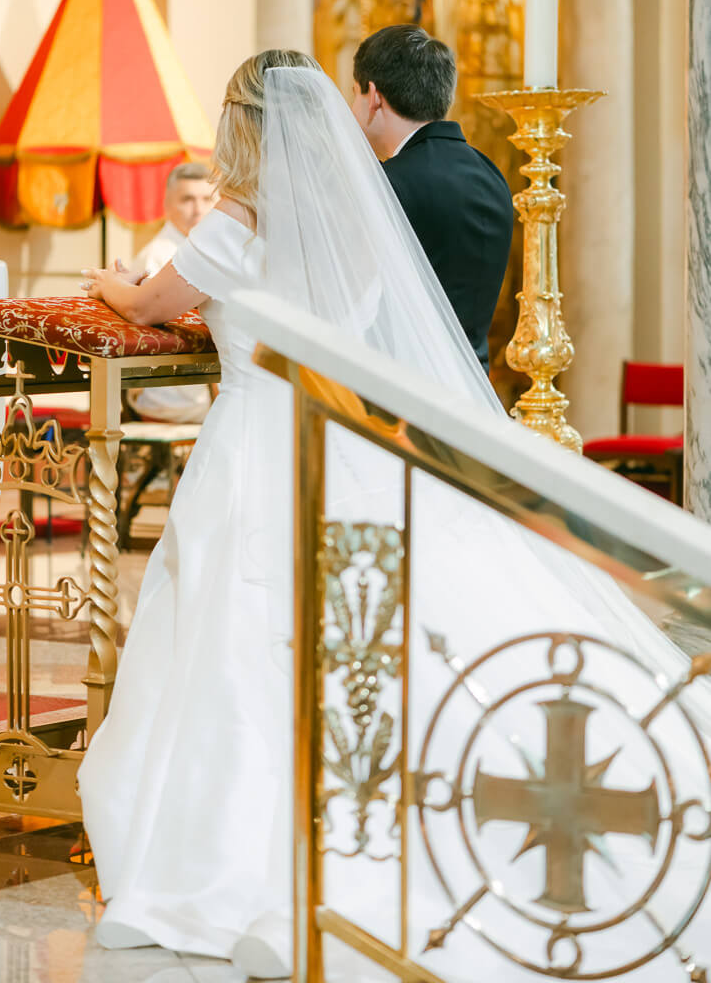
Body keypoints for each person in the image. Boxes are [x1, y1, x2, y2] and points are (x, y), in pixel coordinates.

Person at [77, 52, 711, 982]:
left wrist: (106, 289)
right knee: (348, 639)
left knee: (233, 637)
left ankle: (229, 855)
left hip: (253, 448)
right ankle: (380, 827)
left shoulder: (226, 229)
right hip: (343, 453)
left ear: (238, 126)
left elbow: (148, 301)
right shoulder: (358, 229)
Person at [351, 24, 514, 373]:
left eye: (354, 94)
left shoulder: (386, 184)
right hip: (475, 386)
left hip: (405, 397)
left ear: (374, 96)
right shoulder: (491, 174)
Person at [127, 162, 216, 423]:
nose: (198, 210)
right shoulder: (160, 256)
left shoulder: (200, 249)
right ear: (167, 205)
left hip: (200, 386)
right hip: (170, 393)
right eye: (187, 199)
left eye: (207, 199)